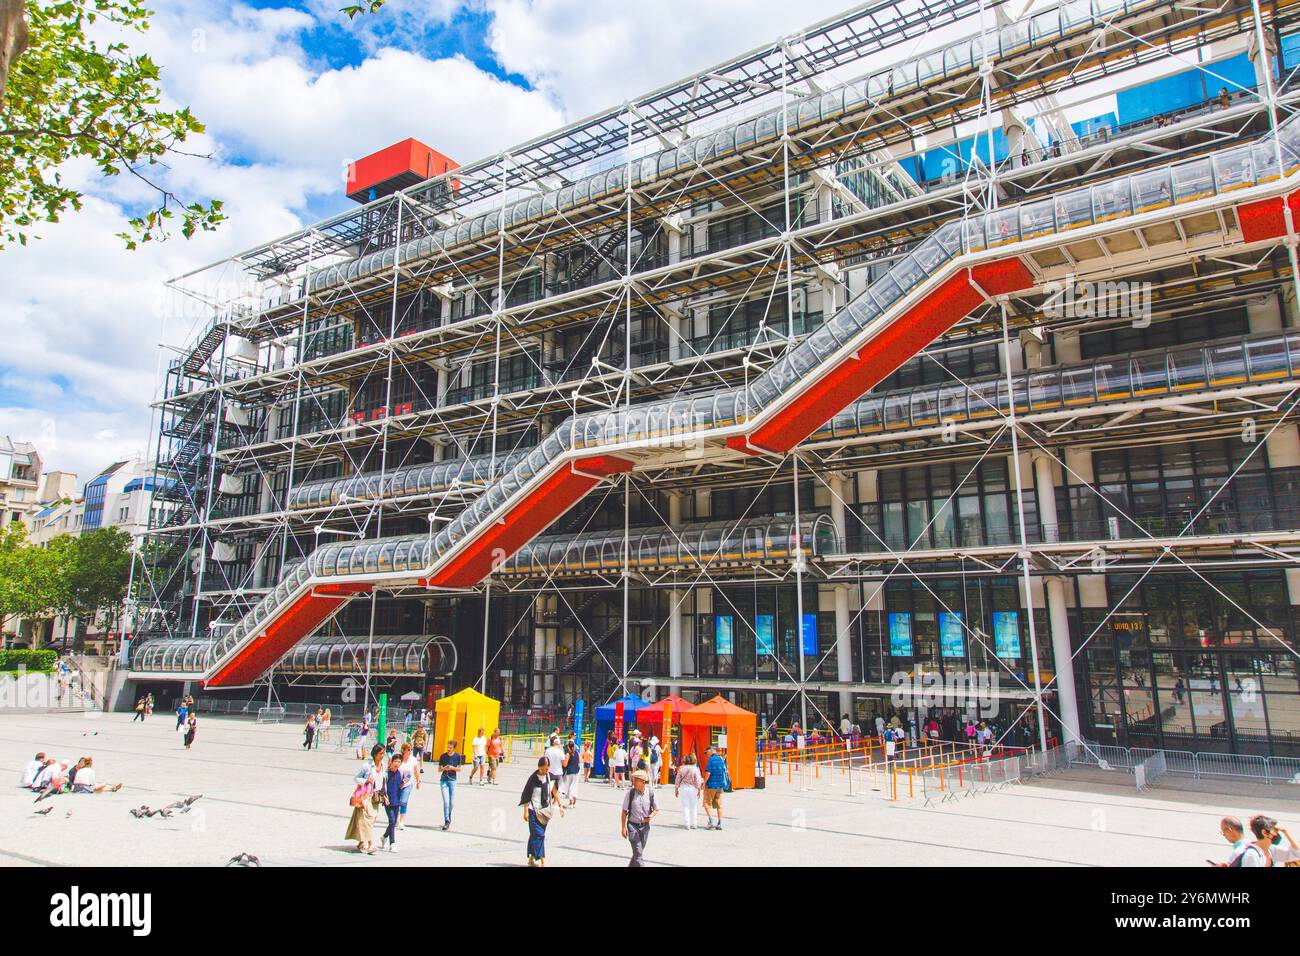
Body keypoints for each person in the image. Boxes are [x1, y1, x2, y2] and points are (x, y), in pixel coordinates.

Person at [519, 757, 561, 867]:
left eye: (547, 769)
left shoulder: (550, 777)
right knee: (539, 836)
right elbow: (527, 795)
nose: (545, 771)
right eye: (542, 769)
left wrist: (560, 806)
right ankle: (543, 861)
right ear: (538, 767)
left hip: (544, 812)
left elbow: (555, 792)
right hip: (533, 811)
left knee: (534, 836)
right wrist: (525, 812)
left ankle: (531, 859)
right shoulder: (533, 779)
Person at [346, 744, 386, 854]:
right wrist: (366, 781)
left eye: (383, 753)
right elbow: (356, 778)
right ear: (375, 754)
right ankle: (370, 844)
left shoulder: (383, 764)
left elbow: (383, 780)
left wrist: (385, 795)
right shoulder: (367, 766)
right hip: (366, 796)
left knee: (371, 820)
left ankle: (361, 841)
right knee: (367, 820)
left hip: (376, 796)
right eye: (380, 753)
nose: (383, 755)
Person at [621, 769, 659, 867]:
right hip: (633, 827)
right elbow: (624, 812)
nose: (633, 782)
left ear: (642, 782)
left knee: (638, 852)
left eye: (635, 780)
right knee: (638, 853)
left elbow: (656, 809)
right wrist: (623, 827)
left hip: (645, 827)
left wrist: (651, 816)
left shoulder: (650, 793)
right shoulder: (630, 794)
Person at [701, 746, 730, 831]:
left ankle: (711, 822)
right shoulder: (721, 759)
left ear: (711, 751)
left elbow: (708, 773)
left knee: (707, 803)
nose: (706, 755)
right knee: (719, 805)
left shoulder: (711, 760)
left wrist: (704, 783)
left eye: (706, 753)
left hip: (711, 785)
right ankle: (719, 823)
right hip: (720, 785)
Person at [379, 753, 403, 852]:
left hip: (397, 801)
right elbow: (382, 787)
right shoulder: (386, 774)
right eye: (395, 761)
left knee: (393, 822)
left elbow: (401, 786)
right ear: (391, 762)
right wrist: (384, 797)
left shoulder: (400, 773)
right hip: (388, 801)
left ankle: (384, 837)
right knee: (392, 821)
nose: (397, 764)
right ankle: (392, 844)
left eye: (399, 762)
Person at [437, 739, 463, 831]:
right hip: (443, 780)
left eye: (450, 748)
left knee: (452, 803)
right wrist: (445, 768)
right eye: (448, 747)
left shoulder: (457, 756)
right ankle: (447, 821)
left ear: (454, 748)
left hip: (452, 780)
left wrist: (452, 768)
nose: (448, 749)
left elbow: (459, 769)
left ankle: (449, 815)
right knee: (446, 802)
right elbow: (439, 769)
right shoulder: (443, 756)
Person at [674, 753, 703, 830]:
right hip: (693, 788)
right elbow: (698, 780)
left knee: (685, 806)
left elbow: (677, 779)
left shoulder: (681, 768)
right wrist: (699, 790)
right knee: (694, 806)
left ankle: (687, 824)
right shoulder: (695, 769)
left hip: (683, 788)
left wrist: (676, 789)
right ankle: (694, 824)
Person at [397, 742, 421, 829]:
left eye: (411, 749)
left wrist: (418, 781)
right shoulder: (398, 758)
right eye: (408, 749)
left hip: (408, 784)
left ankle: (401, 821)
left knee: (403, 802)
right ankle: (396, 819)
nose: (410, 751)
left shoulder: (413, 759)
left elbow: (416, 771)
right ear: (403, 750)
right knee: (396, 802)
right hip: (397, 783)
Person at [560, 739, 581, 807]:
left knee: (569, 787)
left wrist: (561, 762)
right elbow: (579, 761)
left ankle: (571, 803)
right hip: (576, 772)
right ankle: (573, 803)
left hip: (570, 772)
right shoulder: (577, 753)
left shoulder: (568, 754)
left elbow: (565, 764)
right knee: (574, 787)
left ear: (569, 747)